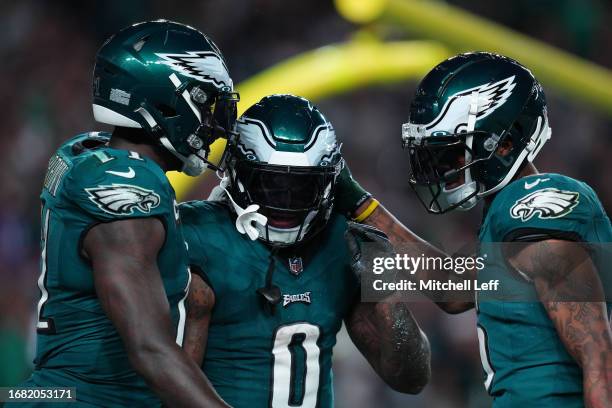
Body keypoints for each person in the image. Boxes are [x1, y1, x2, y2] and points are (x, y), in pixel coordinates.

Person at [337, 52, 612, 407]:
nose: (438, 169)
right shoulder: (506, 217)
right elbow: (451, 287)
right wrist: (361, 205)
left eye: (451, 153)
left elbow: (599, 362)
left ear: (505, 143)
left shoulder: (533, 209)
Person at [16, 20, 238, 407]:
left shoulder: (89, 152)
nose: (212, 125)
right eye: (204, 104)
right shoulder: (125, 182)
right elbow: (149, 350)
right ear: (166, 101)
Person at [179, 94, 431, 408]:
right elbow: (168, 382)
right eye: (272, 185)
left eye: (301, 188)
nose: (284, 204)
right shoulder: (200, 236)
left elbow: (411, 378)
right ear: (238, 172)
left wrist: (386, 289)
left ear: (329, 183)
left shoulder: (341, 241)